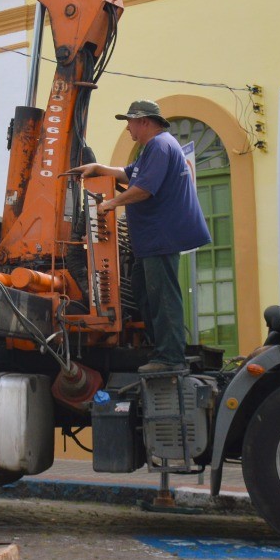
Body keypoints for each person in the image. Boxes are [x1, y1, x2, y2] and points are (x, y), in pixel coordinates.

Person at [71, 100, 211, 374]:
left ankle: (171, 357)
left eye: (130, 122)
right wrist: (98, 168)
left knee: (162, 295)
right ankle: (159, 347)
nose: (127, 128)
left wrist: (110, 204)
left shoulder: (160, 146)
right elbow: (129, 173)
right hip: (152, 239)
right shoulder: (156, 148)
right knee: (142, 289)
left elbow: (143, 189)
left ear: (144, 121)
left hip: (161, 236)